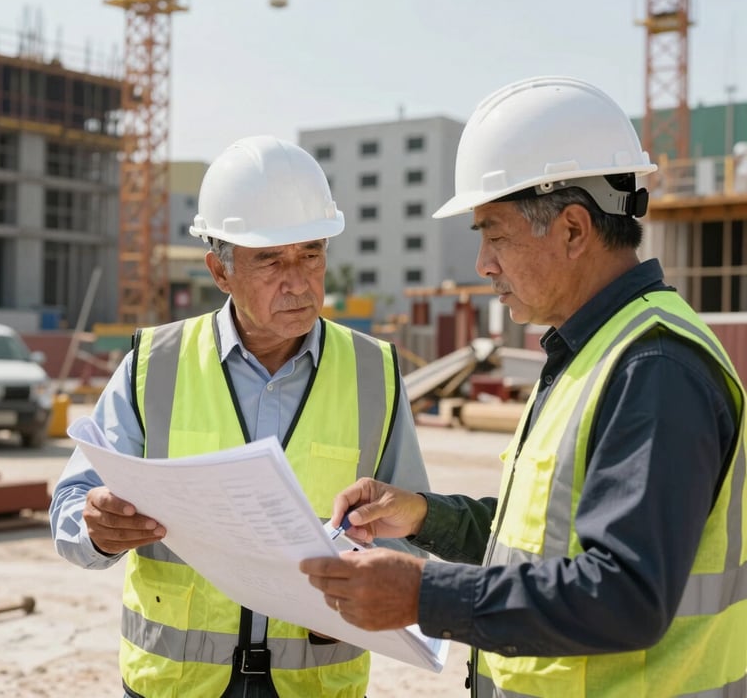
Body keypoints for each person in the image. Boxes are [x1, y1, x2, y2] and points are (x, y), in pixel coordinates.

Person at [300, 77, 747, 697]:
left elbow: (626, 596)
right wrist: (424, 515)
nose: (483, 264)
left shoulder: (654, 368)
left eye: (495, 234)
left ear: (571, 230)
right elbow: (544, 541)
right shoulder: (594, 350)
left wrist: (422, 595)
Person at [50, 135, 430, 698]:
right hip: (175, 684)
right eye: (270, 260)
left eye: (311, 254)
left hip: (317, 684)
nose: (298, 281)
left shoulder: (374, 372)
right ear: (220, 271)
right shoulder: (155, 365)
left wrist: (370, 557)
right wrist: (98, 528)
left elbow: (412, 531)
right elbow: (71, 506)